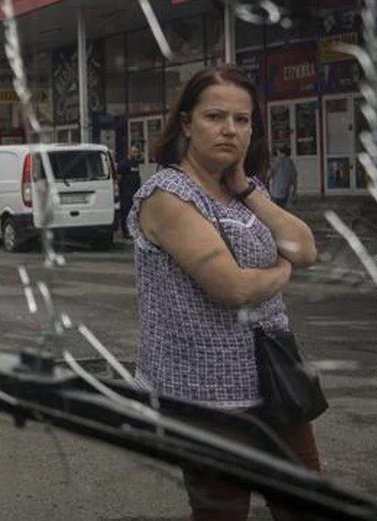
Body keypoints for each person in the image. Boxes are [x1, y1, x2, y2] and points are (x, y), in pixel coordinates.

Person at [129, 65, 321, 520]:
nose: (230, 130)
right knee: (223, 512)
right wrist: (281, 272)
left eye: (242, 120)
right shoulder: (167, 196)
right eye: (215, 117)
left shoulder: (239, 191)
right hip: (203, 394)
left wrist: (248, 190)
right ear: (187, 123)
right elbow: (232, 288)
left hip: (274, 377)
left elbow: (305, 248)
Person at [116, 145, 143, 239]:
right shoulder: (123, 164)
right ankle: (125, 231)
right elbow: (119, 178)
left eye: (137, 152)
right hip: (126, 193)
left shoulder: (135, 164)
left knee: (135, 212)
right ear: (129, 152)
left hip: (135, 192)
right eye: (134, 152)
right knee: (126, 212)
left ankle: (134, 230)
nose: (136, 154)